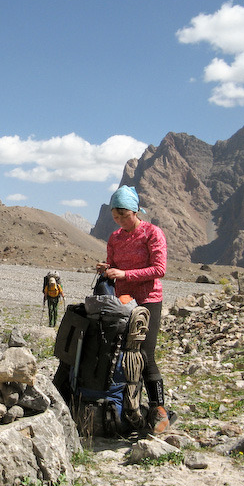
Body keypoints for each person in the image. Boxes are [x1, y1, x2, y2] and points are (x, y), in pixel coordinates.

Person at [96, 185, 170, 434]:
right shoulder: (115, 238)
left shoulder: (152, 233)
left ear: (135, 211)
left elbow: (159, 269)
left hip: (148, 300)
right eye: (115, 216)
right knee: (121, 354)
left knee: (145, 354)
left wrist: (125, 274)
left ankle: (159, 407)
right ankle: (128, 405)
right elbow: (113, 265)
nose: (119, 220)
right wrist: (107, 268)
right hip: (124, 301)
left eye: (123, 215)